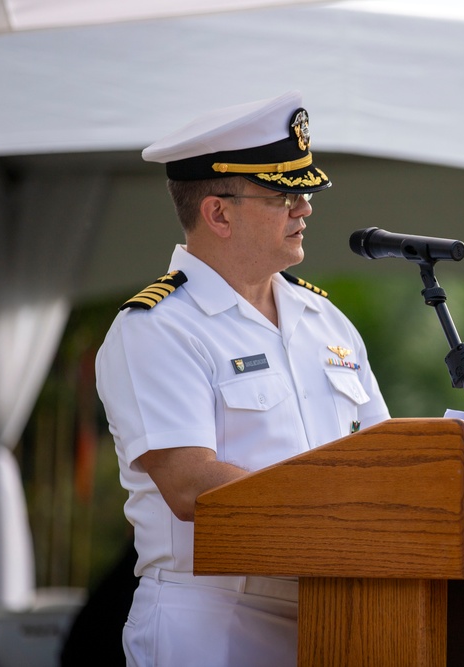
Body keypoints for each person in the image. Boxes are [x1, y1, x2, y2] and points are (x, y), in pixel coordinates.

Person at [95, 91, 391, 667]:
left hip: (335, 616)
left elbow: (382, 455)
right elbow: (190, 484)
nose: (304, 207)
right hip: (210, 622)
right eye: (285, 194)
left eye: (305, 191)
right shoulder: (158, 328)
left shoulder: (326, 321)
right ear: (219, 213)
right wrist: (335, 513)